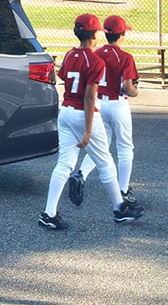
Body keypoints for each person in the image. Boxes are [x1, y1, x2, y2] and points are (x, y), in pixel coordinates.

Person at [39, 14, 144, 231]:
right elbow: (88, 97)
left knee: (65, 163)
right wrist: (87, 130)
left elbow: (64, 77)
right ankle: (119, 209)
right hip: (82, 113)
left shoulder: (69, 55)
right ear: (94, 34)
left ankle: (49, 213)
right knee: (105, 161)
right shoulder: (94, 61)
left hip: (65, 111)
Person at [68, 15, 139, 208]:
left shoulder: (96, 53)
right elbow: (127, 87)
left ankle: (81, 174)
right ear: (122, 34)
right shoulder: (125, 57)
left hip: (99, 102)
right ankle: (123, 190)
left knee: (102, 146)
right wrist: (135, 91)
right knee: (125, 148)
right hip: (117, 105)